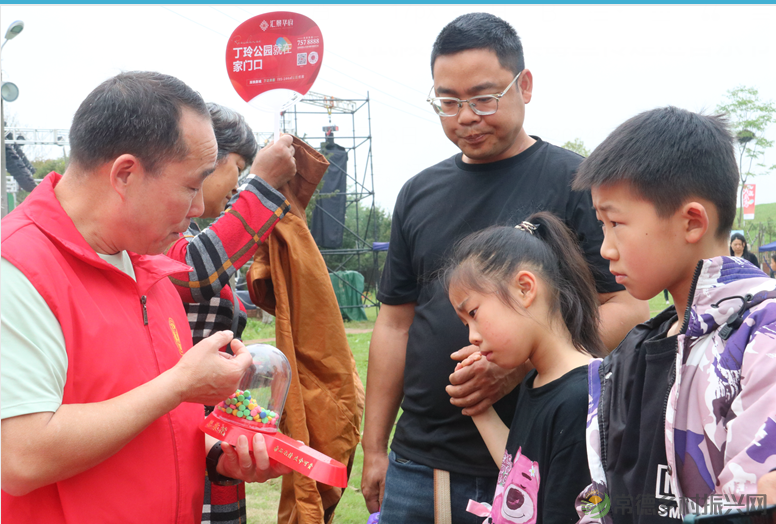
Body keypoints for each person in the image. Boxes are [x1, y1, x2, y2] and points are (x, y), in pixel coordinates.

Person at [361, 12, 649, 523]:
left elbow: (627, 304)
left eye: (484, 97)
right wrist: (376, 446)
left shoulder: (576, 183)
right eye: (447, 102)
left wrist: (518, 366)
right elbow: (394, 323)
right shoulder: (418, 193)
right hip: (416, 463)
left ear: (526, 86)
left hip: (532, 458)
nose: (465, 116)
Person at [0, 71, 290, 524]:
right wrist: (178, 386)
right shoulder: (18, 270)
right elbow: (20, 457)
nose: (198, 209)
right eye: (192, 186)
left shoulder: (146, 264)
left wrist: (218, 455)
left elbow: (154, 420)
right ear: (125, 174)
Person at [572, 106, 776, 522]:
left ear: (691, 223)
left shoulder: (762, 334)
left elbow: (750, 502)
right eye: (601, 224)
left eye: (616, 222)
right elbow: (601, 497)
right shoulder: (629, 355)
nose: (606, 248)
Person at [164, 103, 296, 524]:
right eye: (236, 173)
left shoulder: (187, 230)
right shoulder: (155, 235)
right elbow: (196, 271)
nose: (232, 191)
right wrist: (264, 186)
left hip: (214, 438)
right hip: (177, 430)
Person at [444, 212, 607, 524]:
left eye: (475, 313)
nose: (472, 336)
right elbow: (517, 473)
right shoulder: (539, 380)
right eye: (466, 323)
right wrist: (479, 408)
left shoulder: (579, 398)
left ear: (524, 288)